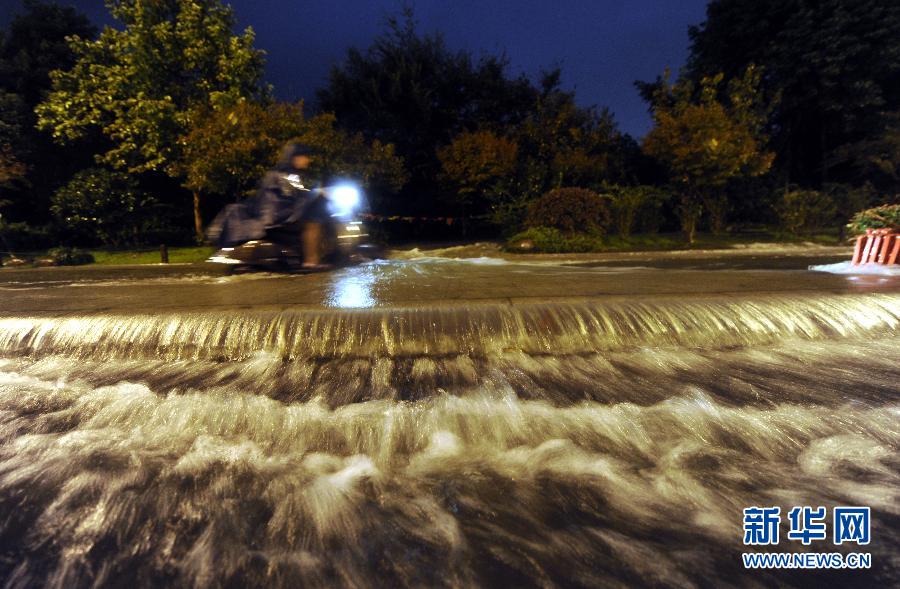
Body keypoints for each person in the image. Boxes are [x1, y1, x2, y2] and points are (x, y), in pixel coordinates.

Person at [207, 142, 331, 269]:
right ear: (295, 157)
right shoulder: (285, 175)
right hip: (277, 219)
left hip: (274, 216)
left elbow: (295, 195)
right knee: (314, 219)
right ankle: (311, 261)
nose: (308, 160)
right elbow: (293, 197)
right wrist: (318, 193)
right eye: (305, 157)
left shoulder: (283, 174)